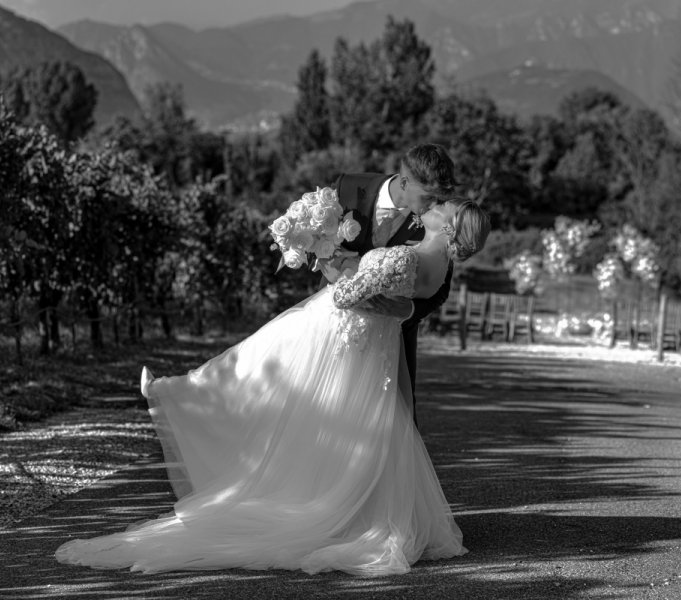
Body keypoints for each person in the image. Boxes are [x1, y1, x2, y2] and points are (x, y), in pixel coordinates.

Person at [54, 198, 490, 577]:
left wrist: (326, 260)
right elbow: (405, 307)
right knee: (342, 420)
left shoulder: (406, 259)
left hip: (335, 335)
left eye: (447, 208)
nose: (438, 204)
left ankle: (177, 395)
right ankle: (178, 392)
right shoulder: (437, 267)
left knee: (258, 368)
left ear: (449, 226)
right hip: (368, 349)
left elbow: (343, 297)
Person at [326, 143, 458, 424]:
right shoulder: (348, 188)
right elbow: (318, 244)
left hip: (392, 343)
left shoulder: (437, 222)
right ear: (405, 181)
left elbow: (442, 288)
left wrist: (408, 311)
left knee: (395, 429)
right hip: (334, 330)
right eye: (429, 197)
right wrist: (324, 264)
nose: (435, 205)